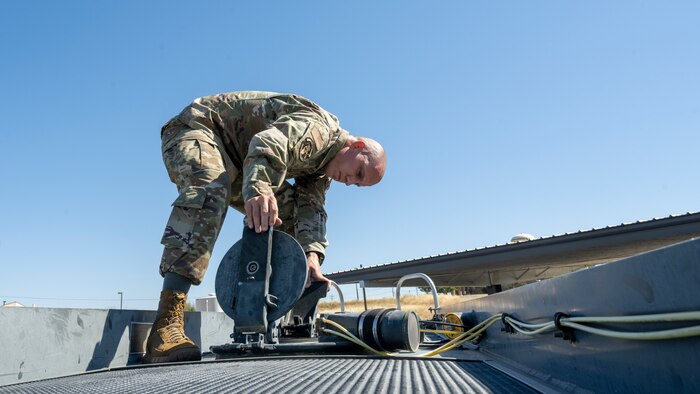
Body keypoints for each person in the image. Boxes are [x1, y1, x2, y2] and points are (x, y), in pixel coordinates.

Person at [144, 91, 386, 363]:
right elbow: (269, 142)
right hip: (197, 130)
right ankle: (166, 325)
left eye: (357, 184)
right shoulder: (318, 130)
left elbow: (311, 210)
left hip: (241, 161)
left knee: (289, 216)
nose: (351, 181)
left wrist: (312, 259)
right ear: (358, 146)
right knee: (211, 187)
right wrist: (259, 188)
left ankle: (274, 316)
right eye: (359, 172)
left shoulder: (321, 169)